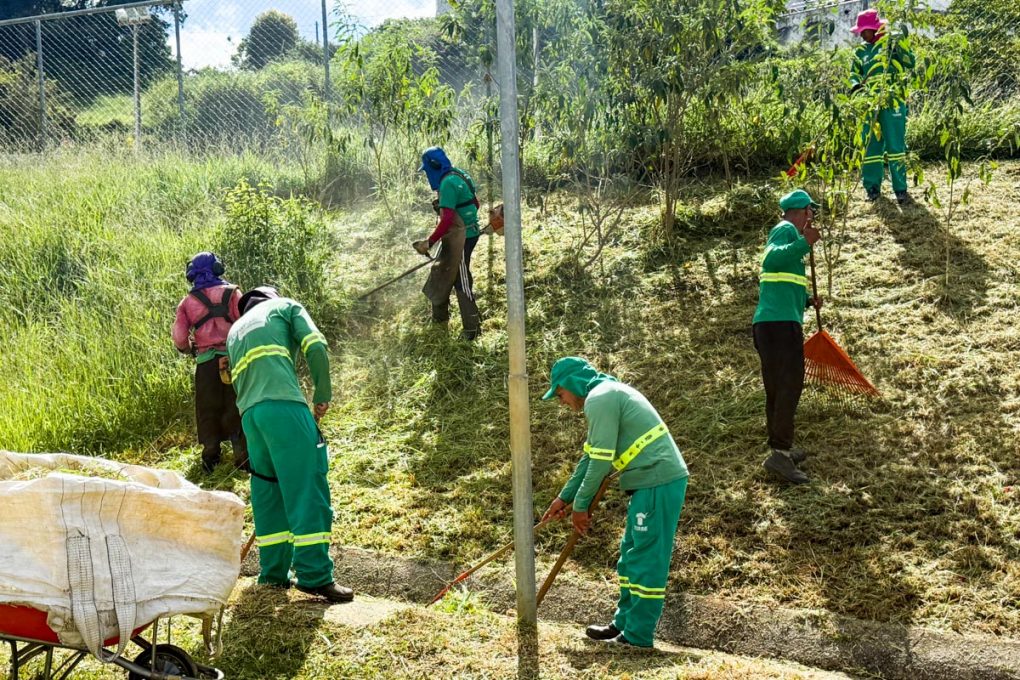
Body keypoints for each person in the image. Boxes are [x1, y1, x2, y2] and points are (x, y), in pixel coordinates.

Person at [540, 357, 689, 649]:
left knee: (646, 559)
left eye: (560, 394)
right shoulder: (604, 395)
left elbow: (600, 460)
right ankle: (624, 624)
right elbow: (589, 458)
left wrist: (580, 507)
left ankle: (638, 635)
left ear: (571, 384)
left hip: (657, 480)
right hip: (648, 483)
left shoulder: (600, 398)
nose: (562, 402)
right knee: (631, 556)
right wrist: (564, 498)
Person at [226, 286, 353, 603]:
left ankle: (273, 576)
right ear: (271, 297)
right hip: (284, 408)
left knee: (269, 494)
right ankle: (314, 576)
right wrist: (322, 393)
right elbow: (315, 346)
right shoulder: (285, 306)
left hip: (251, 419)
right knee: (306, 487)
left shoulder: (235, 331)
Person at [753, 190, 822, 485]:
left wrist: (806, 299)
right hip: (779, 326)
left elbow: (782, 281)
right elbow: (771, 261)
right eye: (810, 211)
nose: (812, 216)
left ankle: (780, 449)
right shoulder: (785, 230)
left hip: (775, 323)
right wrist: (804, 243)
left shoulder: (789, 236)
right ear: (800, 211)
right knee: (789, 386)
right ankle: (780, 455)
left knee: (779, 387)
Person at [172, 252, 247, 473]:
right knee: (237, 404)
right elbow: (245, 323)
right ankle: (242, 456)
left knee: (208, 408)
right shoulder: (233, 293)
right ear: (217, 268)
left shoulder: (188, 302)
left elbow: (179, 338)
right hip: (233, 359)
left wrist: (188, 349)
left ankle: (211, 457)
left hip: (205, 363)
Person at [412, 147, 483, 340]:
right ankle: (440, 318)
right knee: (441, 269)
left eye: (427, 170)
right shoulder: (459, 174)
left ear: (433, 167)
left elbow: (447, 218)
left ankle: (472, 328)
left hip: (461, 237)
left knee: (461, 278)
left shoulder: (447, 184)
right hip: (460, 233)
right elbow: (475, 204)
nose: (427, 175)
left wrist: (429, 242)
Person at [850, 8, 916, 205]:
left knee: (895, 145)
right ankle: (871, 188)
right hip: (868, 104)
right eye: (860, 31)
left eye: (864, 30)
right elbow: (853, 73)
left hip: (893, 101)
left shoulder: (891, 44)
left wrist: (899, 45)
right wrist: (855, 85)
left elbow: (910, 62)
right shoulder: (860, 51)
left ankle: (900, 190)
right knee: (870, 145)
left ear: (875, 29)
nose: (861, 34)